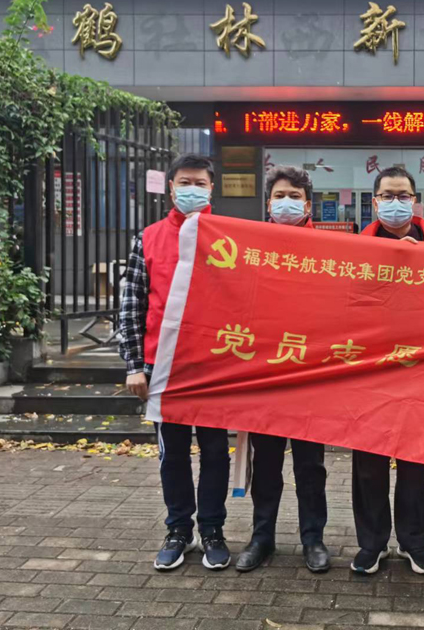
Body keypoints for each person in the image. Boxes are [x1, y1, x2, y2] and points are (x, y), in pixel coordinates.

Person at [119, 153, 231, 572]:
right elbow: (132, 305)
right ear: (170, 188)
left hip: (216, 367)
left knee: (216, 452)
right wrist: (134, 365)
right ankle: (179, 530)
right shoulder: (148, 238)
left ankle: (213, 530)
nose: (192, 190)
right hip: (163, 367)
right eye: (185, 183)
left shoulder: (232, 236)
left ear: (212, 188)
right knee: (173, 454)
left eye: (200, 183)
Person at [235, 165, 330, 574]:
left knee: (311, 465)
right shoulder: (251, 248)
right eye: (279, 195)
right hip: (267, 375)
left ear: (308, 205)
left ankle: (313, 539)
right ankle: (262, 538)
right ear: (268, 203)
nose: (286, 202)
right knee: (267, 463)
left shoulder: (331, 251)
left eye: (294, 196)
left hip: (310, 377)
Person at [352, 166, 424, 576]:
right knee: (368, 461)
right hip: (368, 370)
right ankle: (371, 544)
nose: (395, 202)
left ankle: (414, 542)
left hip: (417, 368)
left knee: (413, 461)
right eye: (387, 195)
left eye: (403, 195)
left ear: (415, 201)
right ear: (375, 202)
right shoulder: (355, 250)